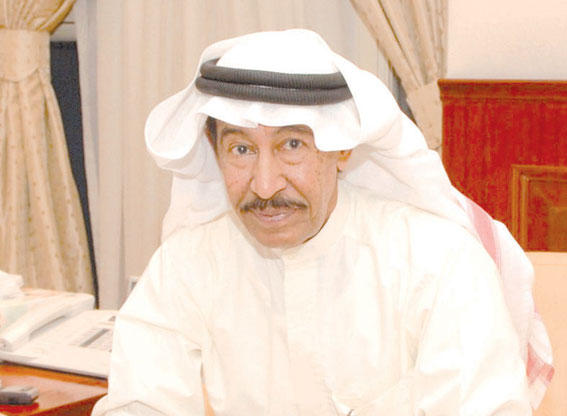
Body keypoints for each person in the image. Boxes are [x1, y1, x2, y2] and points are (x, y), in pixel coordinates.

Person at [92, 29, 553, 415]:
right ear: (214, 151)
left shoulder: (438, 260)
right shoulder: (188, 262)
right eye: (241, 149)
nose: (265, 185)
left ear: (343, 148)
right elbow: (139, 403)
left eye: (292, 145)